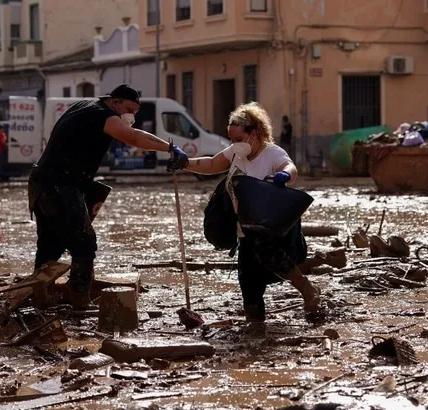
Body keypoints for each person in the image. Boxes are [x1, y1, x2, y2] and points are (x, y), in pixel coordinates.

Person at [28, 84, 189, 310]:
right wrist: (170, 148)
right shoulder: (103, 115)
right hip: (59, 185)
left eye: (135, 111)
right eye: (129, 109)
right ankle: (79, 301)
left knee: (50, 244)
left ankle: (39, 297)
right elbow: (132, 137)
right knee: (84, 243)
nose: (131, 115)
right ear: (115, 102)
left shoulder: (85, 106)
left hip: (42, 181)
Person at [184, 102, 320, 324]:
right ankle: (255, 330)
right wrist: (183, 163)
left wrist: (284, 176)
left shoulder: (272, 152)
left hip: (271, 230)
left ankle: (307, 290)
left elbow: (289, 167)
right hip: (243, 230)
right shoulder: (235, 154)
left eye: (238, 138)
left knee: (271, 258)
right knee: (248, 283)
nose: (234, 143)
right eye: (231, 139)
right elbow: (210, 164)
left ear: (255, 133)